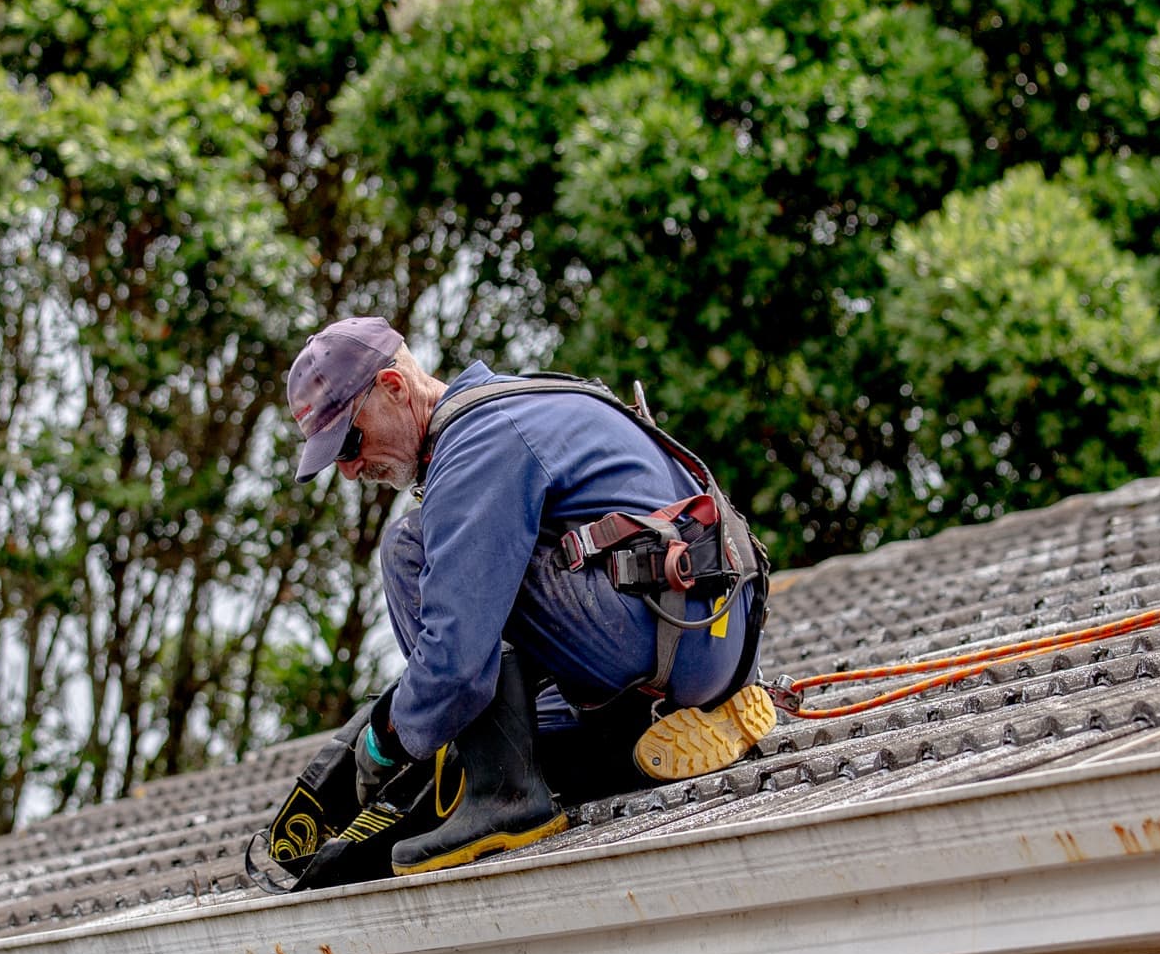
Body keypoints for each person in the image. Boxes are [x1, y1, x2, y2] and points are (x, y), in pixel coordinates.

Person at [257, 315, 776, 884]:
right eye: (338, 458)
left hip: (658, 638)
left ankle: (504, 799)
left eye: (350, 441)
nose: (352, 469)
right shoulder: (521, 401)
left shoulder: (477, 444)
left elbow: (456, 664)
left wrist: (386, 739)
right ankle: (631, 743)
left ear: (394, 388)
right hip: (717, 644)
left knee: (410, 545)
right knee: (506, 750)